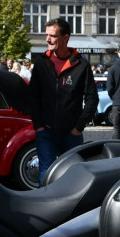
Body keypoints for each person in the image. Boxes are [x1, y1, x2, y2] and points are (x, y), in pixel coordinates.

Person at [29, 17, 97, 183]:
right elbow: (32, 96)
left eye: (52, 36)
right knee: (46, 174)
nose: (47, 39)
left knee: (73, 177)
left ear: (65, 37)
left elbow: (92, 99)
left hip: (71, 134)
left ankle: (70, 209)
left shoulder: (81, 65)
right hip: (46, 132)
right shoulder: (41, 63)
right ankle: (44, 207)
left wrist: (78, 128)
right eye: (47, 35)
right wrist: (38, 126)